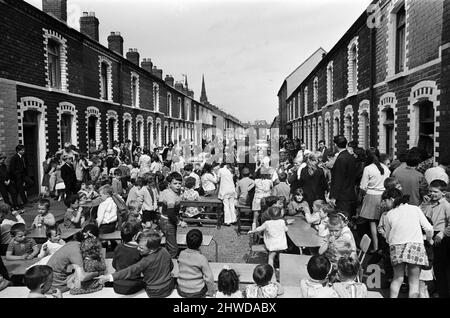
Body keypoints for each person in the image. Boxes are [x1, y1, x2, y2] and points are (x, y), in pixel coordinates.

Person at [382, 188, 434, 298]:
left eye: (385, 200)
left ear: (391, 199)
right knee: (414, 282)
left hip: (396, 246)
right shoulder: (415, 209)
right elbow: (429, 228)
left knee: (397, 278)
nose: (384, 203)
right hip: (416, 245)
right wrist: (429, 239)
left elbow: (387, 237)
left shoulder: (389, 214)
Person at [96, 229, 175, 298]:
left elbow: (130, 270)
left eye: (141, 248)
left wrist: (109, 277)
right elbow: (171, 267)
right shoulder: (164, 251)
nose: (137, 248)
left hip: (154, 292)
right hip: (168, 287)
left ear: (151, 250)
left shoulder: (146, 260)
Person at [47, 224, 103, 293]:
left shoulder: (74, 243)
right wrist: (97, 273)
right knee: (94, 282)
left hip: (49, 278)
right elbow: (82, 277)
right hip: (55, 285)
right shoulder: (77, 250)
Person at [420, 180, 450, 298]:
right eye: (430, 191)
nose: (432, 194)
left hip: (440, 237)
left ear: (443, 193)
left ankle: (442, 291)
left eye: (435, 192)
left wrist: (441, 234)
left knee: (439, 266)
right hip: (427, 234)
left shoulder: (446, 206)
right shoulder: (427, 203)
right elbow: (419, 215)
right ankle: (430, 288)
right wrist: (423, 204)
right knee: (428, 264)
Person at [359, 148, 390, 253]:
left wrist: (361, 197)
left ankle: (376, 247)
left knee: (373, 223)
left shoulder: (368, 168)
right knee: (383, 222)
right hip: (384, 196)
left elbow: (363, 186)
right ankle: (384, 246)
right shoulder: (386, 168)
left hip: (371, 195)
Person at [177, 229, 214, 298]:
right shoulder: (202, 258)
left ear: (186, 242)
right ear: (201, 243)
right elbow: (209, 278)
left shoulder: (181, 254)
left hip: (182, 290)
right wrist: (212, 292)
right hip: (197, 292)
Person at [158, 172, 187, 258]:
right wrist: (179, 223)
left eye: (179, 183)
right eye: (175, 183)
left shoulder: (171, 192)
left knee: (170, 244)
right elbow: (170, 213)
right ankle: (170, 266)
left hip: (168, 221)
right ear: (169, 184)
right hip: (168, 221)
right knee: (173, 249)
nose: (178, 185)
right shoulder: (170, 195)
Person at [329, 136, 357, 218]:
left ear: (335, 145)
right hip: (350, 193)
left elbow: (338, 179)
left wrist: (334, 197)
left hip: (342, 196)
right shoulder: (350, 156)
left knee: (341, 220)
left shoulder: (341, 158)